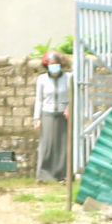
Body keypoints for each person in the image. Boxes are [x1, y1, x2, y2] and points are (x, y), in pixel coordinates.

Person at [33, 51, 71, 181]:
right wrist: (37, 118)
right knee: (46, 146)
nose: (54, 66)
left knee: (63, 146)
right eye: (51, 64)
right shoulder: (41, 79)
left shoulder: (69, 77)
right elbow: (39, 99)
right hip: (47, 114)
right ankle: (43, 176)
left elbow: (74, 95)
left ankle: (64, 175)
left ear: (61, 64)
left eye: (56, 64)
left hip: (64, 115)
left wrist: (69, 108)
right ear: (46, 65)